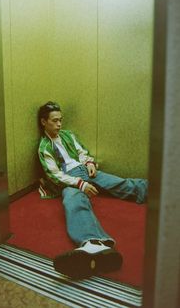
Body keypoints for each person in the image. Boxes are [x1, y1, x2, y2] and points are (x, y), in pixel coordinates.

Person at [38, 101, 148, 279]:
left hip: (84, 169)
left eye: (61, 120)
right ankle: (94, 242)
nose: (59, 124)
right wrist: (80, 184)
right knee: (73, 201)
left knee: (119, 183)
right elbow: (55, 175)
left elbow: (82, 151)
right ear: (44, 122)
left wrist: (89, 163)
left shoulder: (68, 135)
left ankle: (158, 190)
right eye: (55, 121)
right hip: (70, 180)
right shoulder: (44, 148)